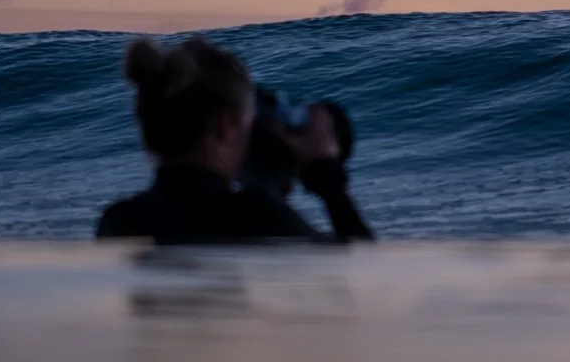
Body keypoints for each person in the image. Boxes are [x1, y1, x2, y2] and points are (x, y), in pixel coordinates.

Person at [97, 36, 374, 244]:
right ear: (226, 126)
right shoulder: (258, 216)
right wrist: (328, 181)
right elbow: (365, 274)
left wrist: (269, 181)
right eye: (246, 122)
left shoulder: (119, 221)